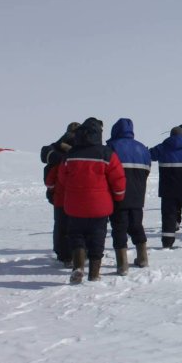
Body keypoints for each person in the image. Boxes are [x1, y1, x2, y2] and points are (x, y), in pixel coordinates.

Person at [58, 118, 126, 284]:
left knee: (76, 236)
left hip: (74, 204)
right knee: (97, 237)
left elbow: (62, 178)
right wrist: (118, 196)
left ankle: (78, 266)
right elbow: (118, 179)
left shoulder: (70, 154)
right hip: (99, 205)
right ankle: (94, 273)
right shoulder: (107, 153)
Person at [106, 118, 152, 273]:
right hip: (138, 193)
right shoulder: (142, 148)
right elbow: (147, 170)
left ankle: (122, 264)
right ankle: (143, 258)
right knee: (137, 224)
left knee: (119, 227)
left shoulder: (111, 147)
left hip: (117, 195)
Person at [41, 122, 80, 267]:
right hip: (78, 196)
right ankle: (79, 254)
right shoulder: (83, 149)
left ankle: (64, 255)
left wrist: (51, 190)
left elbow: (49, 177)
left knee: (61, 227)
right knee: (79, 227)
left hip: (60, 196)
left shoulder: (56, 149)